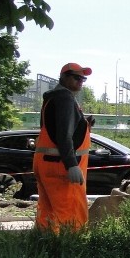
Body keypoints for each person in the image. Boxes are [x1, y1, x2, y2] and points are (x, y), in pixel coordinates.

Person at [33, 62, 93, 232]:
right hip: (60, 165)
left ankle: (45, 247)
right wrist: (71, 165)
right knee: (72, 212)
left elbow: (56, 130)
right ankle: (72, 249)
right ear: (64, 77)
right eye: (76, 77)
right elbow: (63, 135)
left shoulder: (52, 99)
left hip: (45, 162)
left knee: (48, 212)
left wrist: (83, 126)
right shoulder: (65, 98)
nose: (81, 81)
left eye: (83, 78)